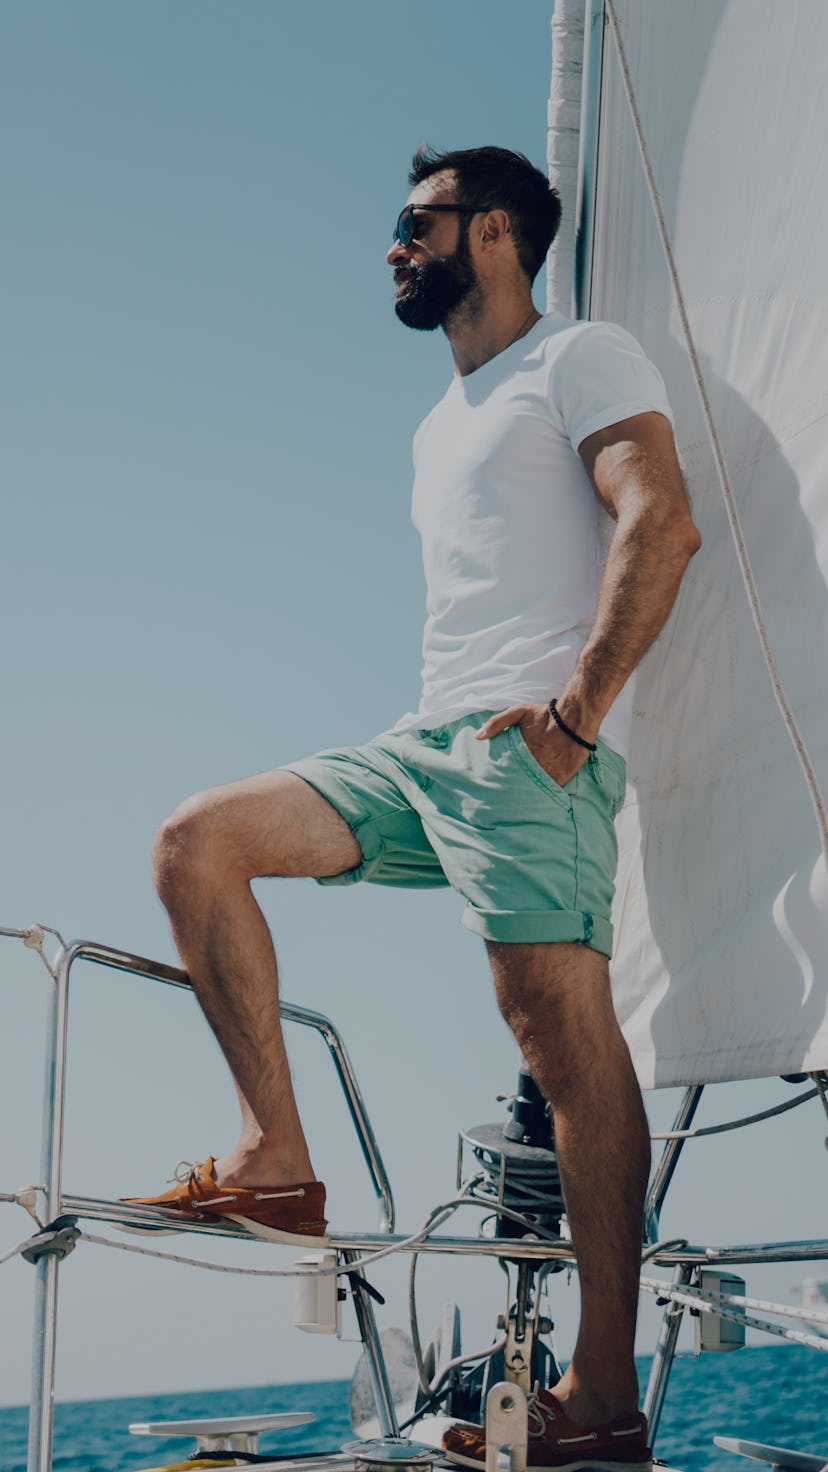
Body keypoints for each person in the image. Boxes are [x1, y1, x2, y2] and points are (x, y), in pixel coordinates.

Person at [128, 146, 700, 1470]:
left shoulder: (582, 357)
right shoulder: (442, 416)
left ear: (492, 232)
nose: (391, 246)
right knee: (195, 843)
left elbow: (659, 523)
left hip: (525, 748)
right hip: (420, 743)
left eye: (413, 223)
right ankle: (278, 1160)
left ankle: (604, 1391)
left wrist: (574, 714)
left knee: (556, 1032)